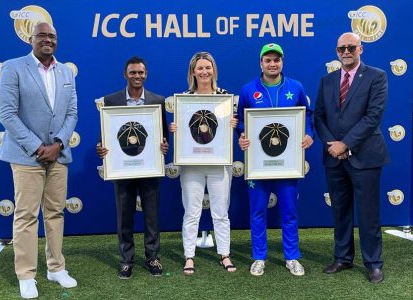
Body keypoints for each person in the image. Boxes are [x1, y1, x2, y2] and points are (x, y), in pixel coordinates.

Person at [0, 22, 78, 298]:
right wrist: (36, 147)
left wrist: (57, 145)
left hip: (58, 155)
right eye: (42, 35)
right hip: (25, 157)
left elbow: (72, 114)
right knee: (26, 215)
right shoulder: (13, 67)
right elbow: (7, 114)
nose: (47, 39)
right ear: (31, 39)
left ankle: (56, 268)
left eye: (52, 36)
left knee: (55, 213)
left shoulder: (66, 71)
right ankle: (26, 274)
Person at [314, 32, 389, 283]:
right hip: (334, 157)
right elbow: (319, 117)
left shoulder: (377, 77)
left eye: (350, 47)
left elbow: (373, 116)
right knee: (340, 211)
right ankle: (343, 257)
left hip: (365, 156)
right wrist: (332, 146)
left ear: (360, 48)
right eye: (341, 48)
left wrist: (345, 144)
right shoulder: (327, 81)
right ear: (336, 51)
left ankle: (373, 263)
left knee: (368, 213)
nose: (346, 52)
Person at [237, 43, 314, 277]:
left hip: (287, 164)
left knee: (289, 212)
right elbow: (241, 121)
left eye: (276, 60)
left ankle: (292, 257)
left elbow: (307, 116)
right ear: (261, 63)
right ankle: (259, 257)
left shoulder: (296, 87)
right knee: (257, 212)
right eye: (268, 60)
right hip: (258, 164)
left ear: (282, 62)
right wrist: (241, 136)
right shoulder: (248, 90)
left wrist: (309, 134)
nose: (272, 64)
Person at [96, 56, 169, 279]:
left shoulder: (158, 100)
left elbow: (163, 134)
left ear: (146, 75)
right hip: (122, 168)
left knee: (152, 216)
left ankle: (152, 256)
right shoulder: (111, 101)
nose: (137, 76)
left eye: (141, 73)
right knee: (124, 216)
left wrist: (164, 145)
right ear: (125, 74)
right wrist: (102, 148)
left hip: (149, 166)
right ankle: (127, 259)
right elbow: (106, 135)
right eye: (133, 72)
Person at [170, 52, 237, 275]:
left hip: (219, 164)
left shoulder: (224, 96)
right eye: (200, 68)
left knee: (221, 212)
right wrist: (176, 131)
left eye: (208, 67)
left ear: (214, 70)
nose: (204, 72)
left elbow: (227, 130)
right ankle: (189, 256)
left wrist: (233, 123)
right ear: (193, 72)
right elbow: (183, 134)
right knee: (191, 212)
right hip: (192, 164)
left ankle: (224, 254)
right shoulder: (184, 99)